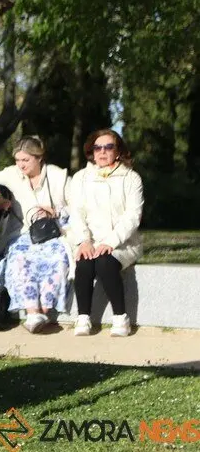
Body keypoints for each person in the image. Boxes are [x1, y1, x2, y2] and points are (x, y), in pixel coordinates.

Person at [0, 137, 72, 334]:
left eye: (25, 160)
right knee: (19, 257)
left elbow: (77, 206)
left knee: (58, 258)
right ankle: (33, 312)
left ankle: (43, 311)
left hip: (55, 233)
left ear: (39, 158)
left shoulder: (58, 176)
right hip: (23, 233)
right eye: (17, 160)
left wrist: (55, 211)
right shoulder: (12, 174)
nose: (20, 165)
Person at [67, 129, 143, 337]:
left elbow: (133, 216)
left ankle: (121, 317)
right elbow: (76, 212)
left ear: (118, 151)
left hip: (122, 242)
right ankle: (83, 318)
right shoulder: (81, 178)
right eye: (97, 147)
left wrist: (110, 241)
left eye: (109, 147)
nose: (102, 151)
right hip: (89, 240)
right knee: (84, 262)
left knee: (105, 262)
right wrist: (84, 240)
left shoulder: (131, 178)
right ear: (91, 151)